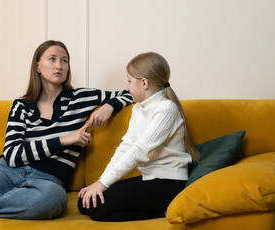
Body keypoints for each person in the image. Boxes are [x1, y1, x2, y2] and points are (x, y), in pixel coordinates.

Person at [0, 40, 132, 230]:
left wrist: (109, 106)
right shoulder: (22, 105)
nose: (59, 65)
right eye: (52, 59)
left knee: (53, 201)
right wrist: (64, 140)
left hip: (47, 181)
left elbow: (132, 92)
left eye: (64, 60)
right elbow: (12, 154)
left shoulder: (82, 98)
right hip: (5, 171)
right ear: (37, 66)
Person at [78, 52, 199, 221]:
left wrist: (103, 184)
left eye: (129, 81)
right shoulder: (138, 108)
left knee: (98, 208)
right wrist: (101, 182)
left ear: (144, 83)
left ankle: (165, 210)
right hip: (149, 178)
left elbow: (139, 150)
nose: (127, 86)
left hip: (170, 182)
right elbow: (126, 147)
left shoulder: (166, 109)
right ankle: (159, 209)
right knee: (84, 203)